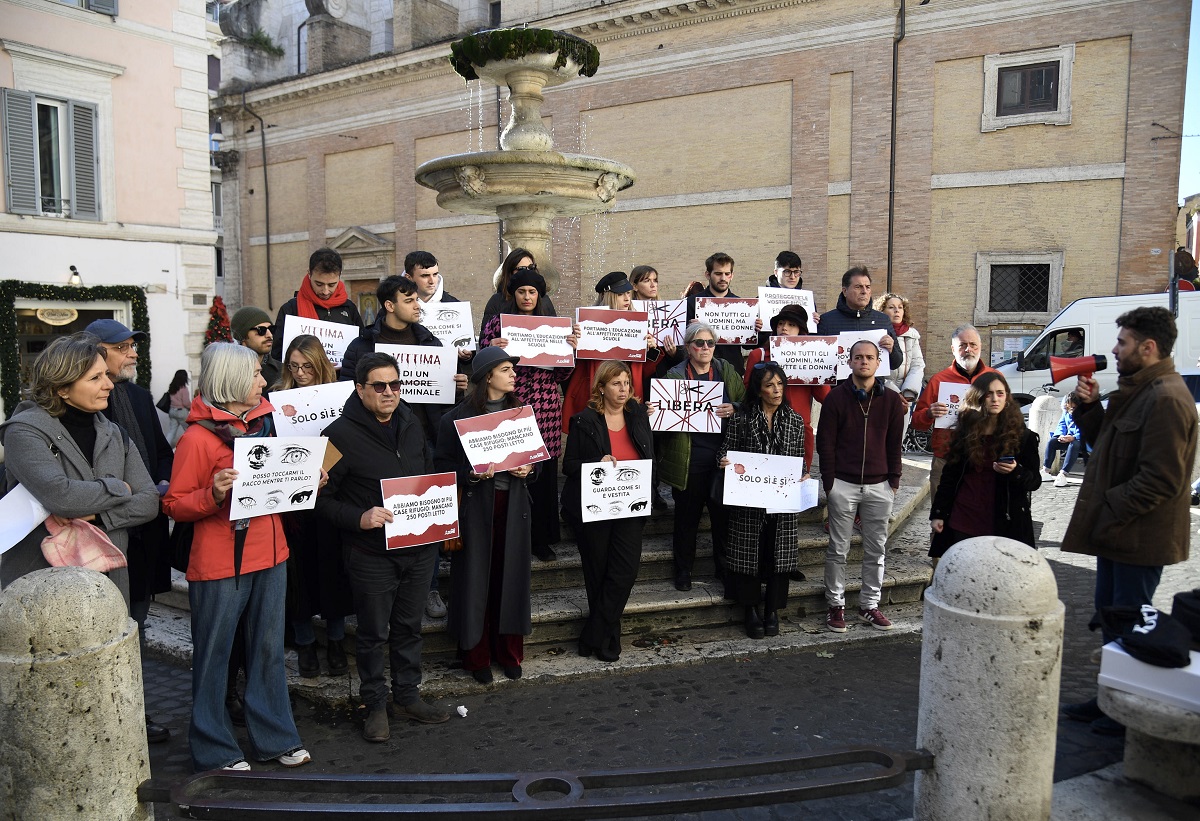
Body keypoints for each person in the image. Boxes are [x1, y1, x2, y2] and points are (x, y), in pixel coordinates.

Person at [161, 342, 310, 773]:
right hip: (219, 561)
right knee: (214, 656)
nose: (264, 381)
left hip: (272, 552)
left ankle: (276, 739)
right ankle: (214, 747)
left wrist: (307, 479)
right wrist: (213, 494)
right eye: (256, 376)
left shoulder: (268, 424)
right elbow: (174, 504)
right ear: (231, 383)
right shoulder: (196, 439)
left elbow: (281, 487)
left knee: (267, 651)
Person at [1060, 307, 1197, 735]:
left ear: (1148, 347)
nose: (1115, 350)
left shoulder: (1167, 399)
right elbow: (1107, 447)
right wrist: (1087, 409)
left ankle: (1130, 704)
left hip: (1138, 536)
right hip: (1119, 532)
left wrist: (1110, 507)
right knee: (1112, 615)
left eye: (1123, 343)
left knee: (1133, 621)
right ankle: (1110, 697)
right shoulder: (1140, 390)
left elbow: (1162, 479)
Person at [315, 351, 450, 742]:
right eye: (380, 386)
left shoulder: (411, 420)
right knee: (374, 633)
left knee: (409, 628)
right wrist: (359, 517)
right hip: (370, 553)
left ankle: (407, 696)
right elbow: (317, 499)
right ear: (360, 389)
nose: (390, 392)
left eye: (396, 384)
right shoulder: (336, 435)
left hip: (419, 548)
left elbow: (427, 472)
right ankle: (374, 704)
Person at [0, 333, 160, 607]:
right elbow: (61, 496)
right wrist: (121, 488)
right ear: (61, 388)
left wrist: (96, 514)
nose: (109, 384)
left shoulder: (115, 433)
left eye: (106, 375)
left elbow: (149, 502)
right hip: (42, 587)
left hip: (109, 581)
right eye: (95, 378)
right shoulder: (24, 432)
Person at [85, 318, 176, 744]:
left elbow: (162, 454)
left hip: (144, 539)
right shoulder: (74, 411)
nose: (133, 353)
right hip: (97, 543)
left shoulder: (140, 398)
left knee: (134, 626)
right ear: (95, 351)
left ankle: (135, 715)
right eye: (123, 347)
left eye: (132, 346)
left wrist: (158, 486)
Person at [434, 347, 536, 684]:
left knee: (511, 579)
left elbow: (532, 461)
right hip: (477, 509)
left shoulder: (521, 413)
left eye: (513, 370)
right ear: (487, 375)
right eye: (507, 369)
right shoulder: (455, 419)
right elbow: (443, 468)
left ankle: (508, 652)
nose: (514, 375)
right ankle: (476, 655)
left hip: (513, 506)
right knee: (477, 581)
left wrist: (528, 470)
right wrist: (472, 474)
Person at [479, 266, 576, 562]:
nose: (526, 297)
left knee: (544, 477)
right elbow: (483, 361)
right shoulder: (498, 323)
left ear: (539, 295)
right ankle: (510, 537)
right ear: (513, 293)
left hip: (545, 406)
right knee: (512, 470)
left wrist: (570, 350)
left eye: (532, 292)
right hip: (511, 404)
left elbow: (562, 375)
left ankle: (542, 539)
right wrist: (490, 346)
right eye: (521, 291)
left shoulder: (552, 326)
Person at [561, 361, 655, 662]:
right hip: (595, 508)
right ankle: (607, 640)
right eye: (616, 383)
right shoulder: (584, 420)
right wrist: (595, 463)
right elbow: (569, 466)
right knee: (598, 573)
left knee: (625, 571)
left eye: (627, 382)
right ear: (601, 387)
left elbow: (650, 453)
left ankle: (593, 633)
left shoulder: (639, 415)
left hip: (631, 505)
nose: (624, 388)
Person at [274, 335, 354, 679]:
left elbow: (351, 441)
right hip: (294, 501)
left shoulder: (340, 396)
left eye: (307, 365)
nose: (301, 372)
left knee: (334, 572)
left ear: (319, 363)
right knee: (300, 576)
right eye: (294, 366)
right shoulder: (276, 396)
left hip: (333, 493)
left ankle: (336, 642)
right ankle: (305, 644)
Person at [816, 340, 905, 633]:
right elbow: (825, 444)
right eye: (858, 357)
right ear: (850, 362)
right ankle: (835, 605)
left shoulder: (892, 401)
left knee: (876, 550)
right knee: (838, 549)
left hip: (880, 486)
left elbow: (895, 445)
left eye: (869, 357)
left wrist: (894, 480)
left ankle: (869, 605)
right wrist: (830, 484)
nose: (864, 362)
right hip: (843, 483)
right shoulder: (836, 398)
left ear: (878, 363)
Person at [718, 362, 807, 639]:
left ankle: (772, 609)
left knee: (777, 555)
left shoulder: (794, 419)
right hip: (749, 500)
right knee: (748, 553)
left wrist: (803, 475)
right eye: (769, 385)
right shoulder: (741, 418)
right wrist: (723, 461)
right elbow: (724, 449)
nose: (776, 390)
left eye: (780, 384)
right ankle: (750, 609)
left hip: (781, 501)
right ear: (758, 390)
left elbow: (799, 458)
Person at [658, 321, 745, 593]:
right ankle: (683, 570)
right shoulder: (673, 375)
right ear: (688, 348)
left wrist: (735, 407)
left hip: (722, 460)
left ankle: (723, 567)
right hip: (688, 459)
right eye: (699, 343)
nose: (705, 348)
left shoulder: (725, 370)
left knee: (723, 519)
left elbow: (747, 403)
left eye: (709, 343)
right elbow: (663, 416)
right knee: (686, 519)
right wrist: (655, 410)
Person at [339, 275, 467, 448]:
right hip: (376, 439)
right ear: (389, 306)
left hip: (425, 439)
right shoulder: (362, 347)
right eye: (408, 301)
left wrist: (456, 388)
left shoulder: (431, 343)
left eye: (417, 300)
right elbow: (347, 396)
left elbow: (446, 404)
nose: (417, 306)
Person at [929, 371, 1040, 562]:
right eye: (988, 394)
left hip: (1003, 520)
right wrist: (938, 513)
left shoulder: (1023, 437)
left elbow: (1034, 481)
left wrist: (1016, 471)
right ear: (978, 397)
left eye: (1000, 393)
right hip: (964, 517)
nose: (995, 399)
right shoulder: (965, 434)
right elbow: (950, 478)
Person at [561, 271, 660, 432]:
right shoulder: (588, 324)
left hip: (627, 395)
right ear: (609, 296)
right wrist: (573, 346)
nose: (627, 298)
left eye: (628, 293)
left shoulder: (638, 326)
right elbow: (573, 368)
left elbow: (645, 372)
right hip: (595, 394)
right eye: (621, 294)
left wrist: (651, 349)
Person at [912, 324, 996, 499]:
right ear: (953, 349)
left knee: (979, 516)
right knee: (941, 517)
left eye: (973, 345)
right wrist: (929, 413)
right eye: (962, 345)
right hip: (946, 458)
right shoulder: (938, 380)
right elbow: (916, 422)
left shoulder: (995, 378)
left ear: (980, 347)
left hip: (983, 458)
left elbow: (1008, 417)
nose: (968, 349)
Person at [743, 304, 827, 465]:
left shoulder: (812, 358)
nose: (784, 328)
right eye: (781, 323)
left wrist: (821, 367)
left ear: (801, 331)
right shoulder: (758, 355)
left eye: (791, 325)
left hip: (798, 431)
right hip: (762, 429)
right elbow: (747, 393)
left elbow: (824, 397)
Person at [271, 247, 364, 361]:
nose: (325, 291)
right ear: (309, 274)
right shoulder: (290, 309)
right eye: (319, 284)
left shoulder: (349, 308)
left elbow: (361, 347)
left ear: (340, 276)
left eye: (331, 285)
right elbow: (278, 354)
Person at [815, 266, 902, 372]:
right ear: (845, 291)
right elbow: (815, 363)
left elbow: (896, 363)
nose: (864, 291)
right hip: (838, 387)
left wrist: (891, 349)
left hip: (874, 387)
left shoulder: (883, 320)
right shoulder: (826, 321)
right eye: (858, 287)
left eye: (868, 287)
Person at [684, 252, 755, 375]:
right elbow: (682, 341)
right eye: (718, 273)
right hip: (699, 372)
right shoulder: (691, 303)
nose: (723, 278)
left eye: (727, 274)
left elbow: (748, 346)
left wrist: (755, 329)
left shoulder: (742, 305)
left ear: (732, 275)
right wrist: (693, 330)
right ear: (707, 274)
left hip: (733, 371)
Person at [875, 292, 925, 441]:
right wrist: (894, 392)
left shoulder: (912, 335)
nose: (897, 311)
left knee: (897, 439)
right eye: (891, 307)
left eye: (900, 307)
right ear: (882, 311)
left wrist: (908, 390)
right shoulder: (877, 334)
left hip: (905, 391)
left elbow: (918, 364)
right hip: (883, 389)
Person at [480, 248, 557, 335]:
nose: (526, 273)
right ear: (509, 272)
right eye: (521, 269)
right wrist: (491, 343)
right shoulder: (496, 301)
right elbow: (484, 337)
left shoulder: (544, 300)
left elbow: (555, 335)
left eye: (531, 268)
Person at [231, 306, 283, 391]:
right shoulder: (229, 370)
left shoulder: (283, 371)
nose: (269, 335)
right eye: (261, 330)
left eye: (271, 329)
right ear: (243, 336)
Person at [1041, 393, 1083, 487]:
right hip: (1069, 438)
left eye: (1074, 407)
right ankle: (1046, 470)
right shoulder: (1066, 413)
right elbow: (1062, 425)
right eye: (1070, 407)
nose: (1071, 409)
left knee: (1074, 444)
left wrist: (1074, 437)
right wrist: (1060, 435)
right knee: (1052, 442)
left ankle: (1063, 473)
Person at [166, 368, 192, 446]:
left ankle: (166, 447)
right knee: (189, 430)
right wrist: (192, 407)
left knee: (171, 432)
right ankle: (190, 446)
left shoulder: (172, 387)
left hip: (172, 411)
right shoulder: (183, 389)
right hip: (181, 412)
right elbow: (186, 403)